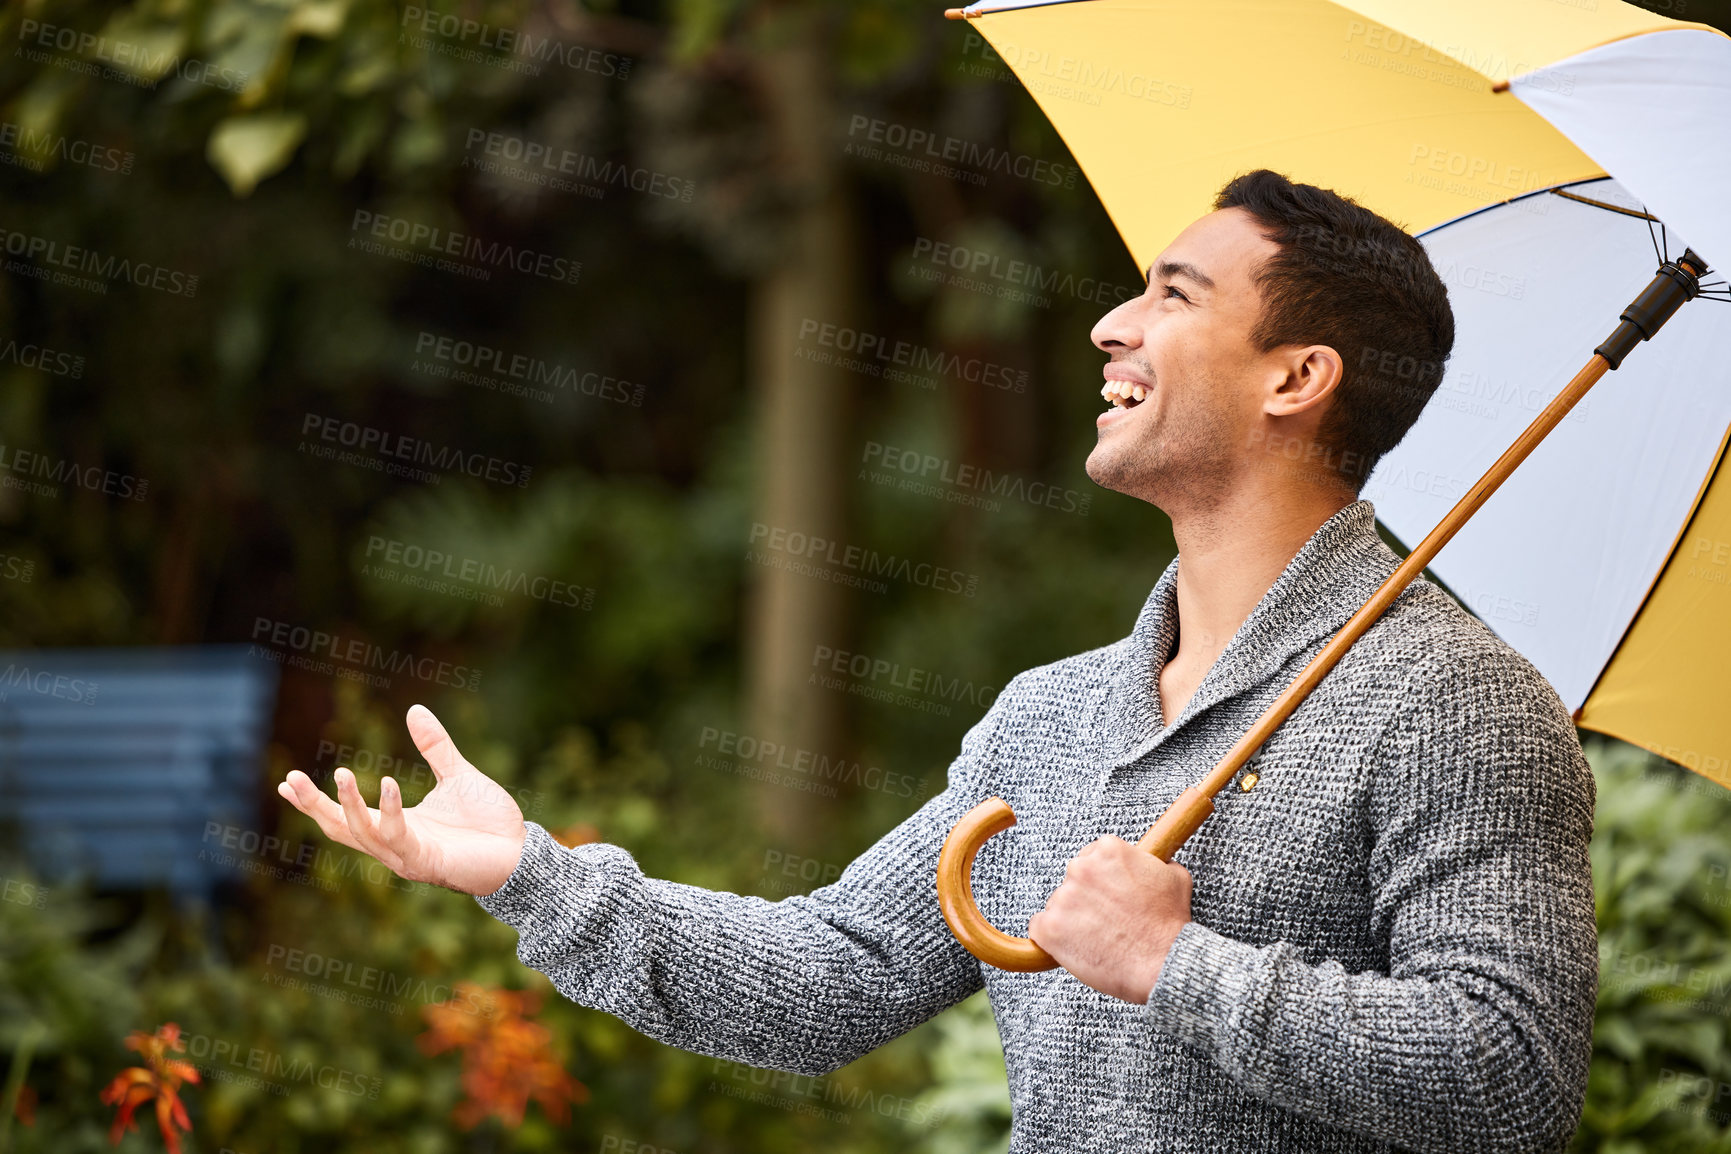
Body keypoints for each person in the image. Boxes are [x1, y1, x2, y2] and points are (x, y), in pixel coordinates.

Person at [278, 169, 1597, 1153]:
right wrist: (533, 875)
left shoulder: (1455, 701)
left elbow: (1512, 1072)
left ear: (1296, 377)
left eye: (1173, 295)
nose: (1108, 326)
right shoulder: (1055, 716)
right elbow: (828, 977)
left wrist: (1179, 966)